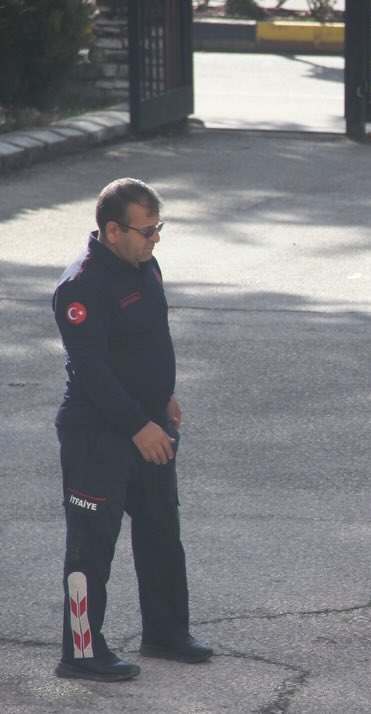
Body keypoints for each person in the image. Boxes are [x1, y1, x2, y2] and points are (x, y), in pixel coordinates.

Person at [52, 178, 213, 682]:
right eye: (147, 230)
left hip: (150, 426)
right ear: (113, 229)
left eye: (158, 228)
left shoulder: (144, 266)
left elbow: (146, 340)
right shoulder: (81, 286)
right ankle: (80, 651)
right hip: (98, 436)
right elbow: (91, 370)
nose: (155, 239)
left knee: (161, 531)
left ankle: (165, 631)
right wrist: (138, 423)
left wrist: (161, 397)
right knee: (90, 546)